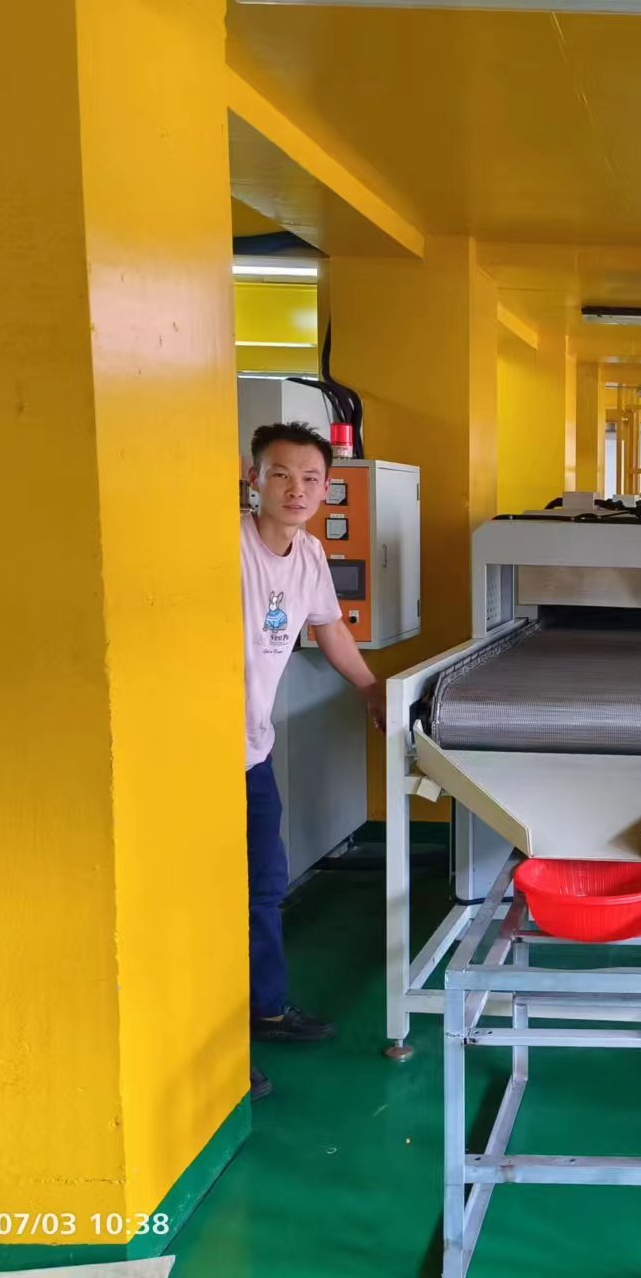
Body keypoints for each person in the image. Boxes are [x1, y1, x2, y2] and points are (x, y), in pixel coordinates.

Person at [241, 423, 386, 1099]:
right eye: (280, 474)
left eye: (310, 479)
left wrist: (369, 688)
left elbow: (328, 626)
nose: (295, 489)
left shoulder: (309, 554)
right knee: (208, 898)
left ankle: (265, 1008)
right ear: (254, 480)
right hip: (193, 757)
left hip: (251, 750)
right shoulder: (225, 546)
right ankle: (214, 1046)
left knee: (263, 886)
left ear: (327, 488)